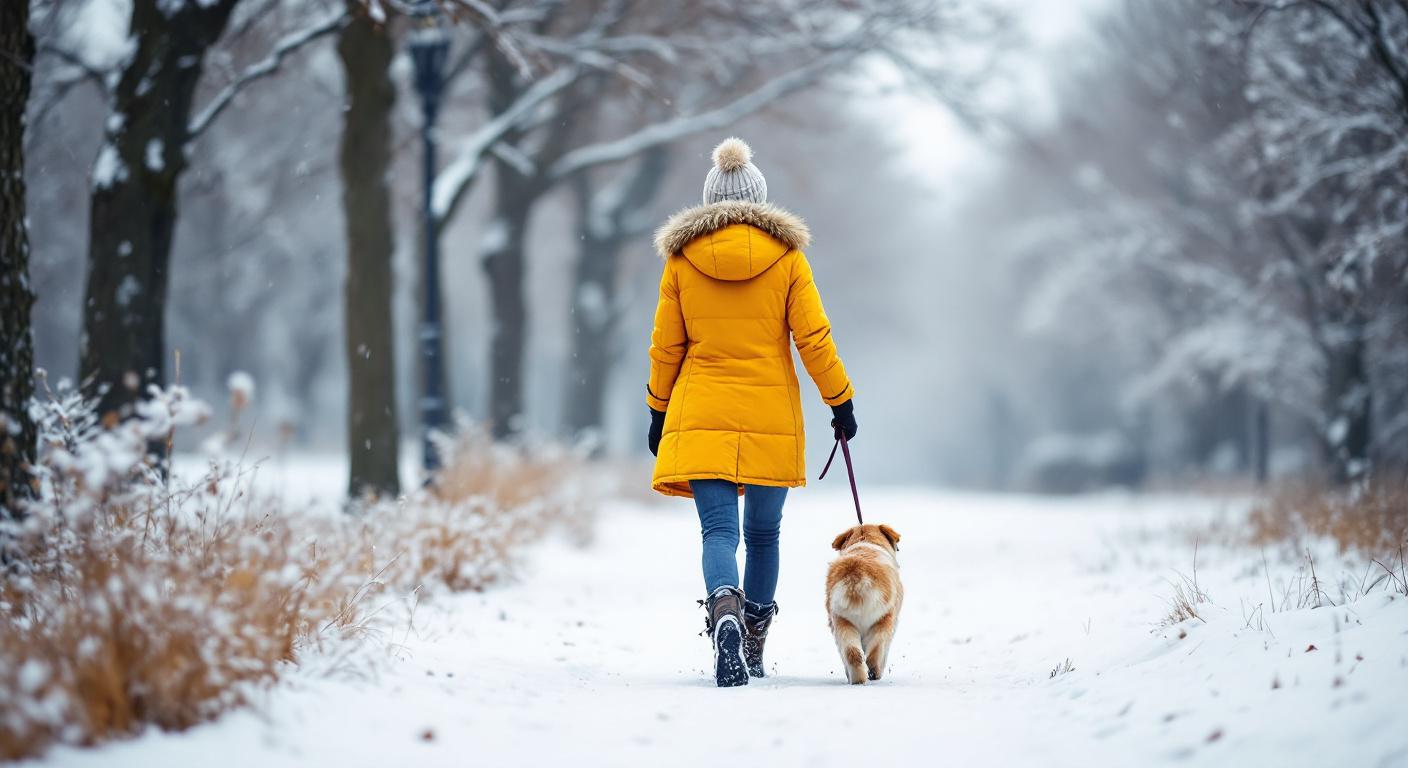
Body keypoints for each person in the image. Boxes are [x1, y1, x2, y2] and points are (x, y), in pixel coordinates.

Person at [644, 137, 858, 687]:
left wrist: (657, 408)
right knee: (763, 535)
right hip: (770, 412)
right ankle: (755, 641)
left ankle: (724, 615)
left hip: (701, 407)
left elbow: (666, 346)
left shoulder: (680, 262)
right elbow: (814, 339)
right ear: (762, 202)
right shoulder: (787, 260)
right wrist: (840, 399)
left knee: (718, 532)